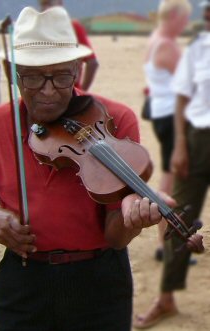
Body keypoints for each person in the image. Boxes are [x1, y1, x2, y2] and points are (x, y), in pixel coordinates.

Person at [0, 6, 174, 331]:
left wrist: (134, 221)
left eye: (61, 76)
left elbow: (115, 237)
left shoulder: (116, 119)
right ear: (10, 71)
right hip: (23, 281)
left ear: (78, 69)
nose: (48, 92)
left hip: (99, 283)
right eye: (32, 77)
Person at [133, 1, 210, 328]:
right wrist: (179, 144)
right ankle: (165, 298)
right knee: (181, 218)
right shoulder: (197, 50)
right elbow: (181, 95)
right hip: (197, 141)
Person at [143, 0, 191, 261]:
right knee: (173, 181)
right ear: (172, 16)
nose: (185, 24)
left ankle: (166, 242)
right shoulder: (167, 46)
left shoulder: (155, 40)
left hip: (165, 114)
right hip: (174, 118)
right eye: (184, 19)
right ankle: (167, 244)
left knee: (171, 177)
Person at [39, 0, 99, 91]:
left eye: (49, 4)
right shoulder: (38, 30)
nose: (45, 8)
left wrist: (82, 91)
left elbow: (92, 62)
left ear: (59, 3)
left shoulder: (72, 27)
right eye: (43, 5)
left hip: (71, 92)